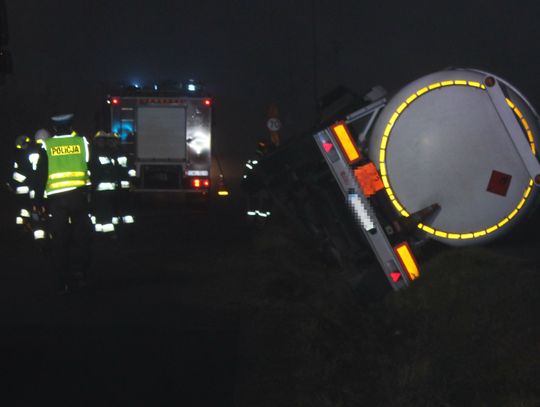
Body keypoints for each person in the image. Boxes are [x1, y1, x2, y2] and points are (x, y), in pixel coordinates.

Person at [36, 114, 93, 294]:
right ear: (71, 126)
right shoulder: (81, 142)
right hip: (79, 197)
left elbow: (41, 175)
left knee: (60, 241)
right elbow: (92, 167)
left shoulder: (48, 146)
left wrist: (39, 200)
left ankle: (62, 281)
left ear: (54, 129)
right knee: (82, 238)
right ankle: (80, 274)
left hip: (57, 200)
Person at [89, 130, 119, 235]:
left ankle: (105, 233)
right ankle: (102, 233)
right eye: (100, 140)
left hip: (104, 189)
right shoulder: (98, 153)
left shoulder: (106, 153)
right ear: (96, 142)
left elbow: (112, 170)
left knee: (105, 212)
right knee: (101, 212)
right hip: (100, 189)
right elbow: (105, 169)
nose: (102, 142)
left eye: (103, 140)